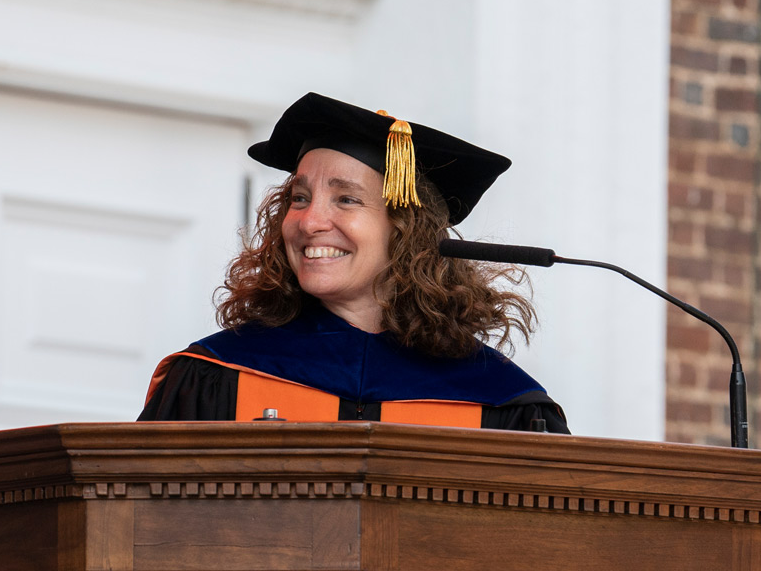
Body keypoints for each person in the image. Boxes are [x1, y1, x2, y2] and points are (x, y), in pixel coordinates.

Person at [138, 92, 568, 433]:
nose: (310, 221)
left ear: (406, 229)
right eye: (299, 199)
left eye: (346, 199)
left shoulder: (500, 401)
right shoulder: (217, 373)